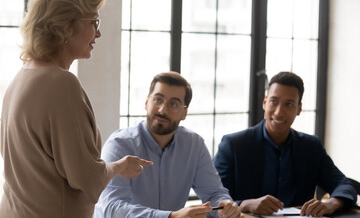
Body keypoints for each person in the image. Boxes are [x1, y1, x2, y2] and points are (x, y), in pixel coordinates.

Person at [0, 0, 152, 218]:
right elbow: (86, 178)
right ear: (64, 27)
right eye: (93, 22)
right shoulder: (61, 84)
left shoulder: (20, 79)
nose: (99, 32)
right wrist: (119, 166)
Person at [94, 71, 241, 218]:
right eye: (158, 100)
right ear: (146, 102)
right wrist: (171, 216)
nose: (163, 110)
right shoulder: (120, 144)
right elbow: (111, 208)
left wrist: (225, 206)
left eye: (174, 104)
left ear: (184, 113)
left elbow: (214, 193)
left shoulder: (194, 145)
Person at [213, 71, 357, 217]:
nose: (279, 112)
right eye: (274, 101)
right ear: (265, 102)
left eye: (289, 104)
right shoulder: (234, 145)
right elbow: (214, 199)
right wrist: (246, 204)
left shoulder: (311, 147)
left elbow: (344, 185)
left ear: (299, 109)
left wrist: (331, 204)